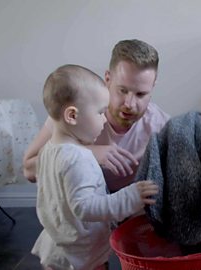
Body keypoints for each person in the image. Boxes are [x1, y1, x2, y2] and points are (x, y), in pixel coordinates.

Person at [31, 64, 159, 270]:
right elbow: (85, 207)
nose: (103, 119)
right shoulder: (77, 158)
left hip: (58, 240)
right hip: (83, 252)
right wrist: (130, 197)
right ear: (72, 116)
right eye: (100, 112)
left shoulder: (48, 150)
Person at [23, 39, 170, 192]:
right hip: (80, 210)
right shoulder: (75, 113)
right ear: (108, 78)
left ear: (152, 87)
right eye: (123, 90)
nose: (129, 104)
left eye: (140, 94)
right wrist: (88, 154)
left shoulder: (162, 126)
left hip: (133, 209)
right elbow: (29, 169)